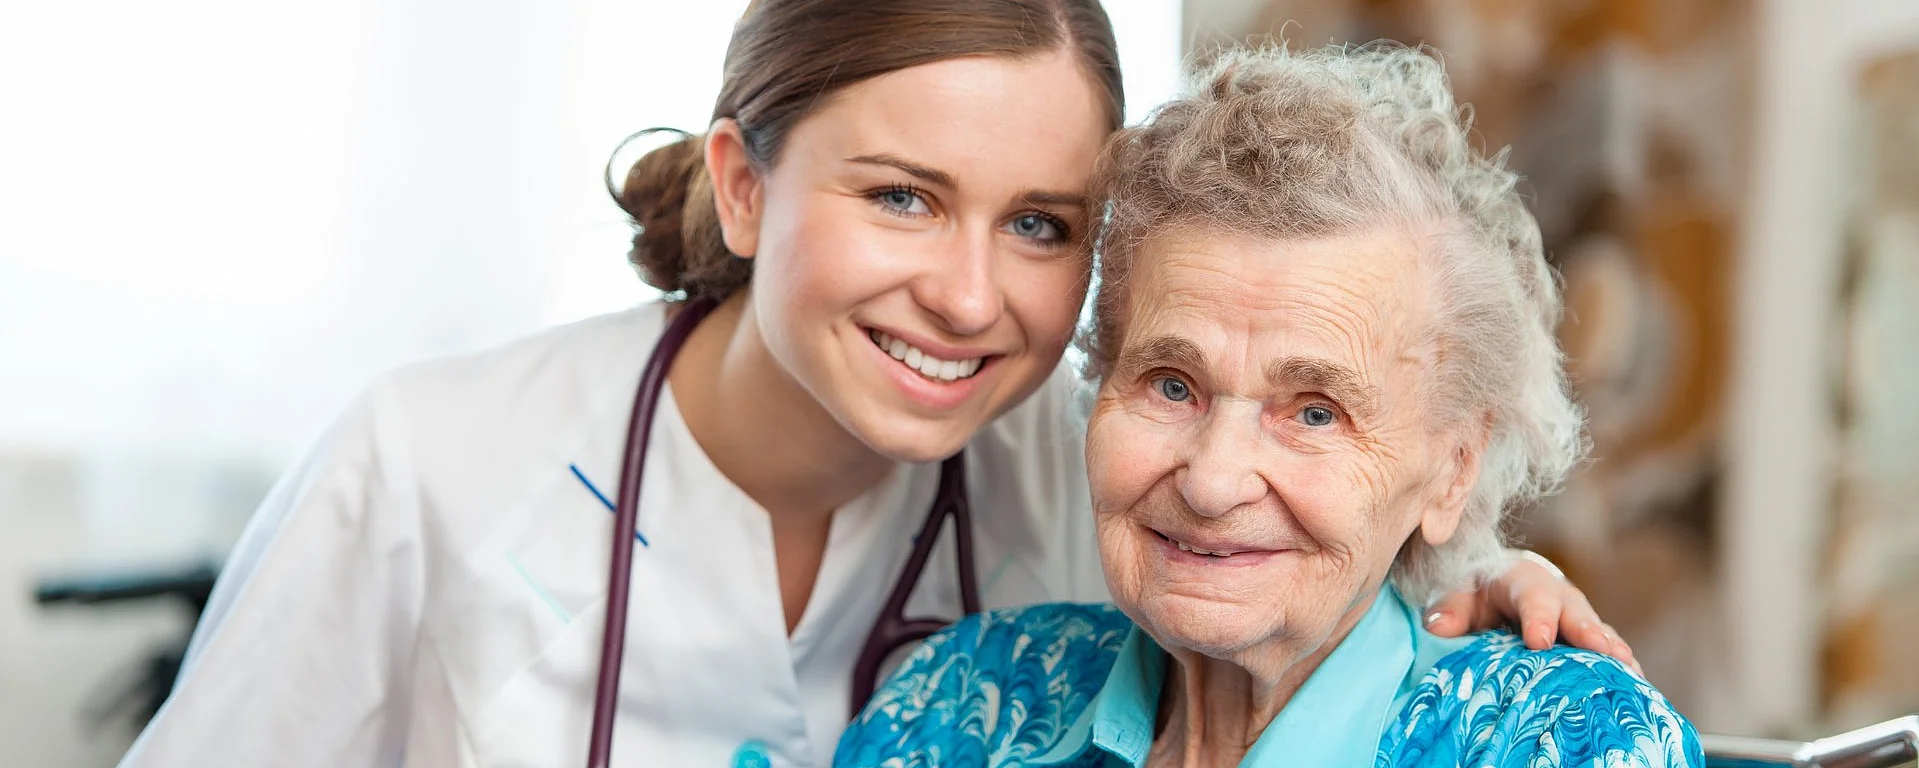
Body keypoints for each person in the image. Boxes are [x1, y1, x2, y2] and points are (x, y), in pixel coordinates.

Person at [116, 4, 1633, 767]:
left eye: (1040, 226)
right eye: (901, 197)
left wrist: (1467, 571)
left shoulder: (1098, 460)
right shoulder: (428, 464)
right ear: (744, 186)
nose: (970, 297)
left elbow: (1299, 511)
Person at [836, 42, 1702, 768]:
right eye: (1171, 386)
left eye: (1314, 413)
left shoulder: (1557, 741)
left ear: (1452, 472)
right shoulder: (953, 707)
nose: (1212, 482)